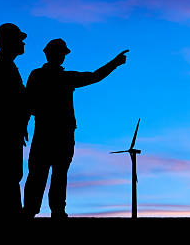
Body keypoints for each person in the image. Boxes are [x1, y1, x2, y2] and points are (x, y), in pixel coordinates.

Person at [22, 39, 128, 218]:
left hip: (56, 132)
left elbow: (94, 76)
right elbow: (27, 102)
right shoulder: (48, 76)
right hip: (50, 132)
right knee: (43, 174)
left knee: (54, 174)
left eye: (62, 53)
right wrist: (115, 63)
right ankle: (37, 211)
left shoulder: (56, 77)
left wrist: (114, 64)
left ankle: (50, 210)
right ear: (49, 54)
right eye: (59, 53)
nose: (61, 57)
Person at [0, 23, 30, 218]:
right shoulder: (1, 67)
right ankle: (4, 214)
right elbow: (2, 103)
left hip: (10, 129)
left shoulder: (7, 66)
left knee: (8, 172)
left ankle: (8, 212)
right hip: (6, 130)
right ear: (8, 42)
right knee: (5, 173)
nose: (23, 43)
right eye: (19, 39)